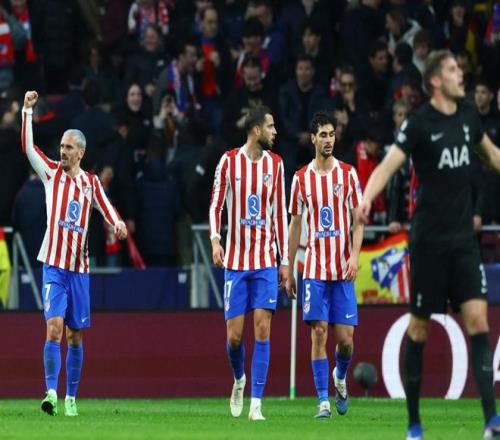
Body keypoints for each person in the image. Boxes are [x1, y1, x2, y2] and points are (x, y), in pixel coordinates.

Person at [356, 50, 500, 440]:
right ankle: (414, 424)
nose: (461, 74)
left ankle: (492, 421)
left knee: (478, 321)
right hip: (428, 243)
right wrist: (367, 198)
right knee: (419, 330)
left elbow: (491, 156)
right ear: (435, 80)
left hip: (463, 242)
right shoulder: (419, 124)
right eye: (453, 69)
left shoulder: (468, 116)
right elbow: (388, 166)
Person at [21, 91, 127, 417]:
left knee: (75, 336)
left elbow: (106, 207)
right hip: (53, 266)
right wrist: (27, 112)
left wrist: (118, 222)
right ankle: (51, 393)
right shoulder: (51, 173)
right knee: (53, 328)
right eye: (62, 146)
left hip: (79, 270)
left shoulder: (90, 184)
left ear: (81, 152)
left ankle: (71, 397)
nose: (63, 151)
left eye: (68, 147)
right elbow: (28, 148)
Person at [209, 105, 289, 421]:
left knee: (263, 328)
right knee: (234, 337)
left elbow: (279, 214)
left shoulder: (276, 165)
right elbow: (216, 205)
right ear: (256, 130)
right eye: (270, 126)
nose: (275, 132)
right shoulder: (229, 162)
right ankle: (239, 378)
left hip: (266, 260)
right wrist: (216, 240)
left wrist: (285, 260)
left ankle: (256, 403)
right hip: (236, 262)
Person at [285, 111, 363, 419]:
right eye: (323, 135)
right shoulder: (301, 179)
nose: (329, 139)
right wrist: (288, 265)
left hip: (342, 271)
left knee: (346, 341)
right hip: (314, 269)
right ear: (313, 139)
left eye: (332, 134)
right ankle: (322, 402)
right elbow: (295, 224)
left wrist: (355, 255)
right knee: (318, 333)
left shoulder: (348, 174)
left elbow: (358, 220)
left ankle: (339, 377)